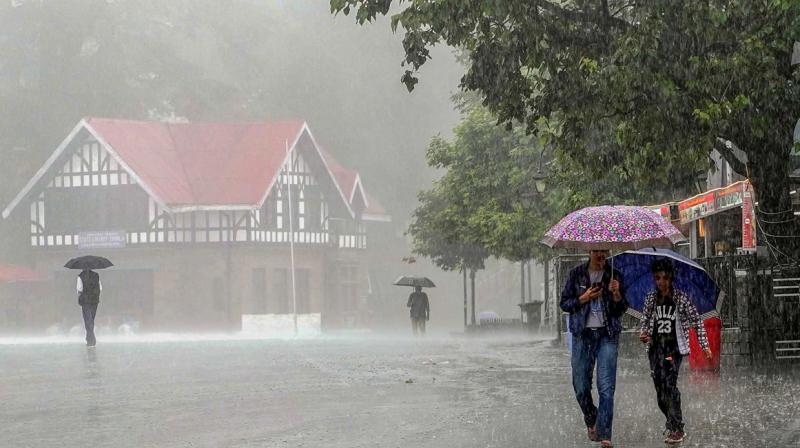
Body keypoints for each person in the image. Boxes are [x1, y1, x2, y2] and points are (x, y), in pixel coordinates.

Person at [639, 259, 712, 444]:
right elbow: (645, 321)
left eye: (664, 278)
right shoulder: (651, 298)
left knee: (669, 386)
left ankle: (677, 428)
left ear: (671, 278)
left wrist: (705, 345)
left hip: (673, 348)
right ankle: (671, 422)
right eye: (657, 278)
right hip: (655, 349)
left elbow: (696, 320)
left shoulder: (680, 298)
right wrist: (644, 333)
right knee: (659, 391)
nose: (661, 282)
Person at [560, 249, 628, 448]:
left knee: (606, 387)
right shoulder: (576, 274)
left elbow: (621, 309)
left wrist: (616, 294)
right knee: (580, 386)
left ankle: (605, 435)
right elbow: (564, 303)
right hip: (583, 335)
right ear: (589, 252)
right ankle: (592, 419)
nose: (601, 255)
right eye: (596, 251)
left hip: (607, 335)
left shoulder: (615, 275)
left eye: (604, 251)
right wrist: (584, 297)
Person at [77, 268, 102, 347]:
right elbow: (100, 288)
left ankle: (91, 339)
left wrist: (81, 294)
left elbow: (79, 288)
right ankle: (89, 338)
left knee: (87, 319)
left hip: (85, 300)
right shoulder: (96, 275)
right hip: (94, 300)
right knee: (91, 319)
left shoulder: (81, 276)